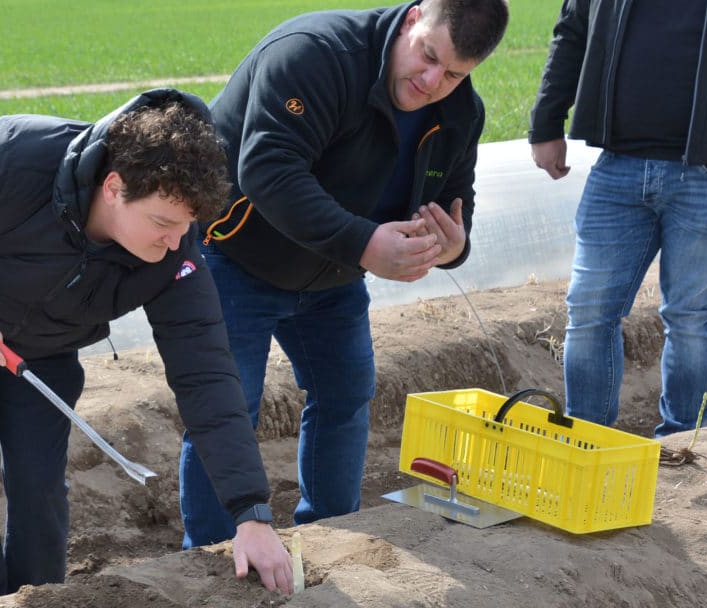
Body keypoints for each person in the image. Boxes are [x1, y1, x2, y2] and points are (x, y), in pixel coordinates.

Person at [0, 89, 293, 606]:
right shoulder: (9, 156)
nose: (177, 242)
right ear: (114, 187)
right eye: (162, 222)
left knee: (40, 485)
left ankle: (39, 598)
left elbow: (207, 376)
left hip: (44, 348)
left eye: (187, 226)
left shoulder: (175, 256)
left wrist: (252, 514)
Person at [181, 0, 509, 549]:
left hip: (334, 276)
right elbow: (266, 171)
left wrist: (452, 247)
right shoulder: (315, 56)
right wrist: (365, 243)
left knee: (346, 394)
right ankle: (209, 556)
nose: (432, 81)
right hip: (236, 255)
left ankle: (331, 537)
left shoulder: (460, 115)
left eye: (454, 73)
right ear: (413, 18)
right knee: (229, 407)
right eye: (427, 56)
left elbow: (457, 204)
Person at [529, 0, 707, 437]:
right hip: (618, 166)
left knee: (690, 315)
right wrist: (546, 122)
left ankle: (682, 447)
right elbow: (573, 29)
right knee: (588, 308)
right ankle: (587, 441)